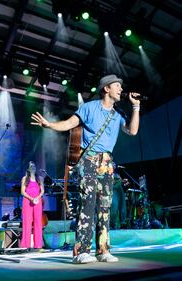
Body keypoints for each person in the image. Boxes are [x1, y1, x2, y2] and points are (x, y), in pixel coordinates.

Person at [31, 74, 140, 263]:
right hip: (88, 160)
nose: (121, 89)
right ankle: (81, 251)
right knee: (87, 205)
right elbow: (69, 124)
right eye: (117, 86)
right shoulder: (89, 108)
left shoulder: (118, 115)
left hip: (107, 162)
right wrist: (49, 124)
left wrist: (136, 107)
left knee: (105, 207)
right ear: (106, 88)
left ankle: (103, 250)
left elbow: (132, 130)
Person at [20, 161, 44, 250]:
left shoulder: (40, 178)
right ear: (28, 169)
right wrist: (31, 198)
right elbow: (22, 192)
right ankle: (26, 245)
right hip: (27, 201)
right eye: (31, 166)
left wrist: (37, 197)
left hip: (37, 201)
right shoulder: (25, 178)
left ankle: (38, 245)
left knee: (38, 222)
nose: (33, 167)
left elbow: (42, 191)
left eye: (34, 166)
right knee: (27, 222)